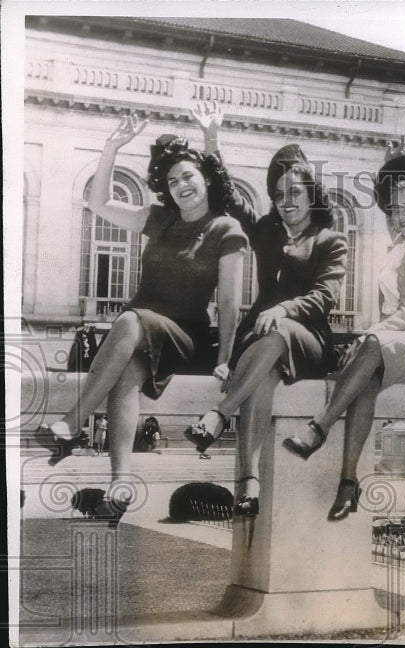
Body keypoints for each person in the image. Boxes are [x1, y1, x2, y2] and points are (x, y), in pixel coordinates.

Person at [35, 114, 247, 523]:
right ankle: (119, 485)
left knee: (129, 321)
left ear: (205, 177)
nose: (182, 186)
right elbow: (97, 203)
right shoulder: (160, 219)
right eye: (172, 182)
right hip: (142, 332)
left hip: (186, 336)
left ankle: (73, 424)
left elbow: (232, 304)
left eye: (188, 177)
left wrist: (227, 357)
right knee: (126, 374)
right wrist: (111, 149)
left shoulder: (227, 229)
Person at [185, 103, 349, 518]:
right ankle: (248, 485)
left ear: (312, 193)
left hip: (307, 339)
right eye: (277, 194)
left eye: (294, 192)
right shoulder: (265, 233)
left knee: (277, 334)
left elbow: (324, 296)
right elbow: (229, 198)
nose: (285, 200)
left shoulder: (331, 240)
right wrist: (211, 141)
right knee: (262, 381)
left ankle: (219, 415)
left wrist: (284, 310)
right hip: (260, 343)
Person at [282, 150, 405, 522]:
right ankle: (347, 483)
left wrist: (366, 337)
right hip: (396, 345)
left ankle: (319, 426)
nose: (400, 216)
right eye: (395, 209)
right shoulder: (399, 247)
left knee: (373, 345)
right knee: (367, 379)